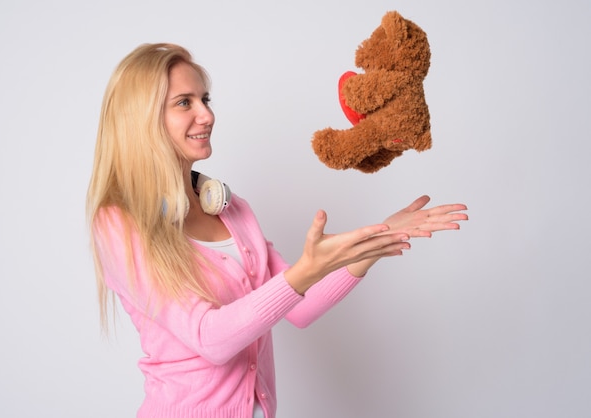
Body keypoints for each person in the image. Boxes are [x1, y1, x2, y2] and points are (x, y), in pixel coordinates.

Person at [86, 43, 468, 418]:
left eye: (206, 99)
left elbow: (300, 307)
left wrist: (376, 241)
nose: (206, 115)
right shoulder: (120, 224)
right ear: (142, 119)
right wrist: (306, 271)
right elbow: (210, 338)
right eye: (185, 102)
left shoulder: (232, 209)